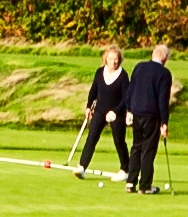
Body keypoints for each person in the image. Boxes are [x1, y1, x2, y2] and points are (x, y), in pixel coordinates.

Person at [118, 41, 176, 194]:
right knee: (148, 149)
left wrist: (129, 110)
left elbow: (130, 91)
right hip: (151, 115)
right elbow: (163, 100)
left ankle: (130, 182)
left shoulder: (139, 67)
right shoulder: (164, 74)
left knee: (136, 147)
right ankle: (145, 185)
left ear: (153, 55)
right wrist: (164, 122)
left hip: (136, 112)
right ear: (165, 58)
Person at [71, 48, 129, 180]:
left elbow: (127, 98)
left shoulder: (123, 76)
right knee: (92, 136)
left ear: (119, 60)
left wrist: (115, 112)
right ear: (106, 59)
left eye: (116, 59)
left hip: (117, 113)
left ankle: (126, 169)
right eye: (110, 59)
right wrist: (88, 106)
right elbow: (94, 91)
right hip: (100, 110)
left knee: (119, 141)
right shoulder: (99, 72)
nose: (113, 62)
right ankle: (82, 167)